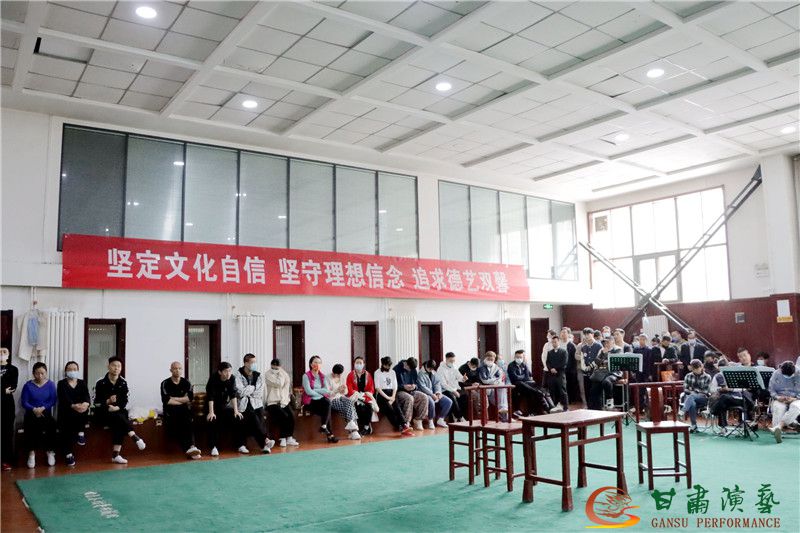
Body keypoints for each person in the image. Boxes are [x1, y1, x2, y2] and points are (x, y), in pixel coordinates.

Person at [94, 356, 146, 464]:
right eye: (114, 365)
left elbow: (125, 400)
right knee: (119, 418)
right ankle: (134, 437)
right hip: (103, 412)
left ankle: (116, 455)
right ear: (108, 366)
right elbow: (95, 402)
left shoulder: (123, 382)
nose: (116, 368)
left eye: (119, 366)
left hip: (118, 411)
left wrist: (117, 407)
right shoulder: (100, 382)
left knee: (119, 418)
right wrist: (108, 402)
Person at [235, 354, 275, 454]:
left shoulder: (258, 375)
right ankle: (265, 441)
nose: (254, 364)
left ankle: (264, 444)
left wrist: (248, 390)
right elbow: (240, 392)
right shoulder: (238, 375)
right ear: (245, 363)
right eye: (252, 362)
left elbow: (259, 392)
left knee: (260, 418)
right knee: (252, 416)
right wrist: (253, 387)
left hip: (256, 403)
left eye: (255, 362)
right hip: (243, 404)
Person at [160, 362, 201, 459]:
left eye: (179, 368)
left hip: (184, 410)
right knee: (179, 423)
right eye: (175, 368)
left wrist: (174, 398)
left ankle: (192, 447)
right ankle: (191, 449)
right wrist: (182, 400)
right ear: (171, 370)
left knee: (188, 421)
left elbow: (190, 398)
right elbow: (166, 400)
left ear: (182, 370)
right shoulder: (165, 383)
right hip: (170, 411)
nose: (177, 370)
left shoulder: (186, 382)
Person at [21, 362, 57, 468]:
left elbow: (53, 400)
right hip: (31, 413)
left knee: (52, 426)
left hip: (46, 413)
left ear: (46, 373)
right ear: (33, 373)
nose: (40, 376)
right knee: (30, 427)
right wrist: (34, 409)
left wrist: (43, 408)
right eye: (37, 373)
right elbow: (24, 402)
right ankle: (31, 453)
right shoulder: (28, 385)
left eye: (42, 373)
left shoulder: (51, 384)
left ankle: (50, 451)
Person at [205, 361, 244, 456]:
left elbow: (233, 395)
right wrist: (211, 412)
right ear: (220, 372)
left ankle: (240, 445)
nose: (228, 373)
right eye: (226, 371)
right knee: (212, 420)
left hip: (223, 406)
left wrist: (236, 411)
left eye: (230, 371)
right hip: (211, 406)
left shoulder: (232, 378)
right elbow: (210, 396)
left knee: (238, 417)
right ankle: (213, 447)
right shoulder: (213, 378)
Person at [57, 361, 90, 467]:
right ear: (66, 371)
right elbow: (63, 398)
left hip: (80, 411)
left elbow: (86, 396)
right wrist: (73, 406)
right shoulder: (61, 383)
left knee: (83, 410)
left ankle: (81, 433)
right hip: (66, 411)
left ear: (78, 370)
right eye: (69, 369)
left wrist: (85, 404)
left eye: (74, 369)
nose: (72, 371)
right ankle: (68, 454)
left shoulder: (82, 383)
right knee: (66, 428)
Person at [709, 357, 754, 431]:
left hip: (737, 398)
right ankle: (723, 427)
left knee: (722, 398)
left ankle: (713, 411)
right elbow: (712, 389)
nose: (722, 371)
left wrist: (731, 389)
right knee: (722, 402)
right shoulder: (717, 376)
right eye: (720, 369)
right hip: (726, 399)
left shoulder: (733, 374)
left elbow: (743, 388)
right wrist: (720, 389)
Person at [507, 349, 557, 416]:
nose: (519, 359)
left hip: (526, 383)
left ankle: (552, 407)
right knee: (522, 384)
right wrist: (523, 376)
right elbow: (515, 378)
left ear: (523, 358)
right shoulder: (511, 365)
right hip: (516, 385)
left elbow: (528, 376)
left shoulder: (524, 364)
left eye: (520, 357)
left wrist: (523, 374)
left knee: (540, 388)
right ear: (514, 357)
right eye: (517, 357)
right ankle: (546, 407)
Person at [301, 355, 339, 443]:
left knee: (327, 403)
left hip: (320, 400)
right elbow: (308, 392)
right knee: (326, 409)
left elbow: (326, 390)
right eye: (315, 362)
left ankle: (324, 427)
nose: (317, 364)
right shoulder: (306, 376)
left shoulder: (323, 376)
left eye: (319, 362)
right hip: (310, 401)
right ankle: (329, 434)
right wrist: (319, 392)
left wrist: (315, 390)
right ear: (311, 364)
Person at [374, 356, 414, 436]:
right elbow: (378, 388)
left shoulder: (392, 372)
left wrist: (393, 397)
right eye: (387, 365)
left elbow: (395, 386)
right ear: (383, 364)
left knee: (397, 407)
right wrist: (388, 398)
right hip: (382, 395)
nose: (388, 367)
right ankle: (400, 427)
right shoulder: (377, 372)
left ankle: (404, 425)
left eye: (389, 365)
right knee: (390, 409)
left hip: (392, 393)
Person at [265, 358, 299, 447]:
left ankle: (289, 438)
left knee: (291, 416)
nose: (275, 369)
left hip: (283, 401)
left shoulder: (284, 373)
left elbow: (287, 386)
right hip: (272, 402)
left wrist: (285, 401)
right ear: (271, 365)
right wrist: (280, 373)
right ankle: (282, 438)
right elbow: (279, 383)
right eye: (273, 367)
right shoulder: (267, 374)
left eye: (277, 367)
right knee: (284, 416)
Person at [767, 360, 800, 443]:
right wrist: (778, 397)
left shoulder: (799, 373)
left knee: (796, 407)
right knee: (778, 408)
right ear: (781, 370)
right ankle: (780, 431)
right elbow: (771, 389)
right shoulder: (776, 373)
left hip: (795, 398)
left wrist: (795, 398)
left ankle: (779, 426)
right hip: (780, 398)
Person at [394, 357, 429, 430]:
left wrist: (414, 386)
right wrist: (403, 387)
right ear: (406, 364)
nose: (410, 370)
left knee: (424, 397)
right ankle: (406, 423)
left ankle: (418, 420)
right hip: (399, 392)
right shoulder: (396, 369)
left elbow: (416, 383)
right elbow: (394, 385)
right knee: (409, 398)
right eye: (409, 368)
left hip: (411, 391)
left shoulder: (413, 369)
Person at [328, 364, 361, 440]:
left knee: (349, 402)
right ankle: (353, 431)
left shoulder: (342, 377)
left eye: (340, 374)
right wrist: (337, 390)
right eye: (337, 374)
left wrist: (343, 391)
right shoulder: (327, 378)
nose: (339, 376)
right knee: (349, 408)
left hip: (341, 397)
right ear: (333, 372)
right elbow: (327, 393)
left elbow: (346, 392)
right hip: (332, 399)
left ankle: (352, 427)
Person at [346, 356, 376, 436]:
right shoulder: (350, 375)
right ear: (354, 364)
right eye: (357, 363)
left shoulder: (368, 375)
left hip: (365, 397)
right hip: (355, 397)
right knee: (359, 406)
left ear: (363, 364)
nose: (358, 364)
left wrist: (366, 394)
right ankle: (360, 427)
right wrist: (357, 394)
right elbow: (349, 388)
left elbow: (371, 388)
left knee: (369, 406)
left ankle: (366, 427)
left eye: (360, 363)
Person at [417, 360, 452, 428]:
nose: (430, 370)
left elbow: (437, 383)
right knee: (431, 402)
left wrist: (438, 392)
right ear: (426, 365)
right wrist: (432, 394)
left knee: (448, 401)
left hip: (435, 393)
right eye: (429, 368)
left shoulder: (434, 372)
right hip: (426, 394)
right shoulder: (420, 374)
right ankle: (430, 421)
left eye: (432, 369)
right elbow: (422, 387)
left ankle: (441, 419)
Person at [586, 341, 620, 410]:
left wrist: (604, 356)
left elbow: (612, 361)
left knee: (606, 382)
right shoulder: (602, 351)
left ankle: (610, 403)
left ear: (613, 342)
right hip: (602, 372)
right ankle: (595, 407)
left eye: (608, 342)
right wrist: (603, 356)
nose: (606, 344)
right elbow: (596, 361)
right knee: (595, 385)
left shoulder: (617, 350)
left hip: (613, 372)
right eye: (605, 343)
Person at [679, 359, 711, 432]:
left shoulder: (707, 377)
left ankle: (683, 410)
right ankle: (694, 425)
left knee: (692, 395)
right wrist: (692, 392)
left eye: (697, 368)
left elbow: (706, 391)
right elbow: (685, 389)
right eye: (694, 369)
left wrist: (695, 391)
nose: (696, 371)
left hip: (703, 398)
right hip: (690, 398)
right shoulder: (688, 376)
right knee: (692, 403)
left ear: (701, 367)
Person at [1, 347, 19, 471]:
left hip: (7, 405)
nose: (1, 354)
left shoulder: (13, 369)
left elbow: (12, 387)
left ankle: (6, 460)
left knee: (7, 432)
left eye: (4, 352)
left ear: (8, 354)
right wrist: (3, 390)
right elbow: (5, 389)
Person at [479, 351, 509, 421]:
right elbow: (484, 380)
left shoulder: (496, 367)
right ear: (485, 358)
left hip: (494, 387)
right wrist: (495, 380)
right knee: (500, 398)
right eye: (488, 359)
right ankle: (504, 414)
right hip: (485, 389)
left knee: (502, 387)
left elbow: (500, 378)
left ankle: (503, 412)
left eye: (492, 359)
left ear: (494, 360)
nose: (490, 361)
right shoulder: (481, 367)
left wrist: (492, 380)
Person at [437, 352, 465, 422]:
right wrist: (453, 391)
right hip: (444, 390)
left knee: (464, 396)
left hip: (454, 388)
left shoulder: (454, 367)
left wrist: (463, 378)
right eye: (451, 361)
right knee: (452, 397)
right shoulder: (440, 369)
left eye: (453, 361)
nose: (452, 363)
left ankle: (457, 415)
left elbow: (459, 377)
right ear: (446, 359)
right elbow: (443, 384)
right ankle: (459, 417)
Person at [546, 336, 569, 411]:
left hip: (560, 374)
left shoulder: (564, 351)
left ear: (558, 342)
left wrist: (555, 369)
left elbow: (564, 363)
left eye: (555, 342)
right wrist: (551, 369)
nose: (554, 343)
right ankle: (553, 406)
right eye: (552, 342)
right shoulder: (550, 352)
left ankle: (565, 407)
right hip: (551, 375)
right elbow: (547, 362)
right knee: (552, 391)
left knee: (562, 391)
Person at [562, 328, 578, 406]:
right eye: (562, 332)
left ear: (568, 334)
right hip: (562, 369)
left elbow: (574, 359)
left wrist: (573, 370)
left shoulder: (572, 345)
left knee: (570, 385)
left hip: (570, 370)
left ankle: (571, 400)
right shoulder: (560, 344)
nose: (563, 334)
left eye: (565, 332)